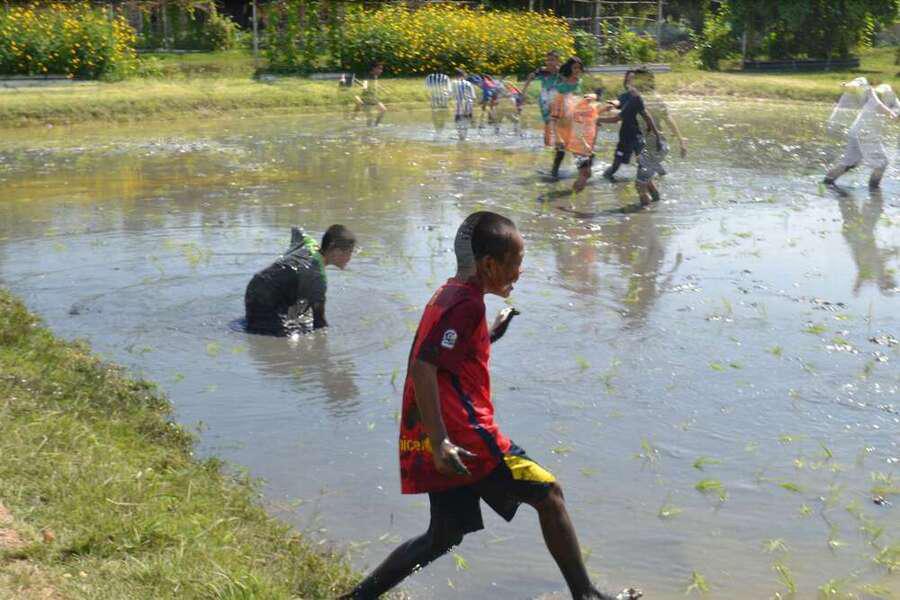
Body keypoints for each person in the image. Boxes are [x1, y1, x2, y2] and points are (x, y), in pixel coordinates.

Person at [340, 212, 641, 600]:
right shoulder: (466, 305)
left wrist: (491, 332)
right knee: (549, 494)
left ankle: (356, 599)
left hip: (441, 435)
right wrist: (441, 442)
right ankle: (585, 596)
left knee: (444, 535)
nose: (520, 271)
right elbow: (424, 366)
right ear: (488, 265)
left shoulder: (451, 293)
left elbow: (446, 352)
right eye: (515, 262)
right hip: (466, 440)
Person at [244, 225, 355, 336]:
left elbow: (296, 230)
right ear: (336, 251)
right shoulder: (317, 278)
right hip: (266, 299)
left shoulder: (310, 244)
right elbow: (319, 322)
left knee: (300, 311)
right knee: (291, 337)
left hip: (256, 284)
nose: (350, 257)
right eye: (349, 252)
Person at [597, 69, 662, 207]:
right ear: (626, 82)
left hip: (636, 138)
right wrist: (611, 104)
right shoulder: (627, 96)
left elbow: (617, 119)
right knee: (617, 167)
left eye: (634, 79)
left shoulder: (636, 98)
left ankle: (646, 211)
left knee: (641, 179)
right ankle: (656, 204)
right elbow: (619, 103)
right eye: (629, 79)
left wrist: (596, 119)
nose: (631, 82)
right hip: (626, 138)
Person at [824, 79, 898, 189]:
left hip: (857, 132)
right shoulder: (872, 95)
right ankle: (874, 191)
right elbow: (878, 106)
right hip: (865, 134)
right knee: (882, 164)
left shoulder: (891, 98)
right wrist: (891, 113)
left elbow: (897, 113)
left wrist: (894, 115)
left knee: (849, 163)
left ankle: (825, 184)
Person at [551, 87, 616, 193]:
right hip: (579, 146)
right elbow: (577, 127)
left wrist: (604, 110)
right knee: (585, 174)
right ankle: (572, 195)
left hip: (582, 146)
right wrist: (584, 144)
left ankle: (572, 194)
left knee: (586, 174)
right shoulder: (580, 109)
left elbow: (593, 115)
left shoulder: (587, 108)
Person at [548, 57, 585, 180]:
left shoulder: (580, 82)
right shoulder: (561, 86)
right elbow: (555, 109)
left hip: (576, 121)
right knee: (560, 151)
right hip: (562, 121)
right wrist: (557, 135)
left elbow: (581, 102)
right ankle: (553, 174)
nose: (577, 70)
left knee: (578, 149)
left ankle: (582, 174)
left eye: (579, 68)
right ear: (570, 68)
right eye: (575, 68)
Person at [522, 50, 563, 149]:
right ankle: (548, 145)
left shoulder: (561, 72)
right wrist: (523, 91)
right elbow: (531, 76)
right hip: (545, 99)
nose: (549, 62)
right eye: (548, 60)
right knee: (548, 122)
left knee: (557, 121)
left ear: (558, 61)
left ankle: (557, 143)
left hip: (556, 98)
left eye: (552, 60)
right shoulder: (542, 71)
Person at [452, 68, 477, 141]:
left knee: (457, 119)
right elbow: (473, 96)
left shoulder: (454, 83)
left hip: (459, 104)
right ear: (463, 75)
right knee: (466, 119)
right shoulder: (469, 83)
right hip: (468, 103)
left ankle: (460, 136)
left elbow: (452, 94)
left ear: (456, 76)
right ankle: (465, 136)